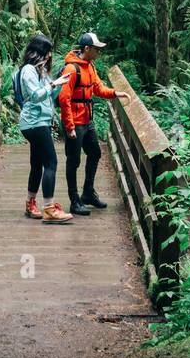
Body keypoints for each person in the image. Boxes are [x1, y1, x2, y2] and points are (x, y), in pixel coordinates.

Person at [58, 31, 130, 216]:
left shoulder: (90, 67)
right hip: (75, 122)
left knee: (95, 153)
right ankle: (74, 201)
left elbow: (98, 88)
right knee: (73, 161)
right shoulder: (72, 70)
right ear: (87, 48)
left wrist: (115, 93)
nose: (99, 52)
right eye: (96, 49)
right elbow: (64, 98)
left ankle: (88, 193)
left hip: (87, 121)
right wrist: (70, 126)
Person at [16, 34, 72, 223]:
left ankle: (30, 202)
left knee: (37, 163)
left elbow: (48, 94)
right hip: (35, 123)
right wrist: (53, 84)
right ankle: (49, 208)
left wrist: (59, 83)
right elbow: (35, 95)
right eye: (48, 52)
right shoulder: (29, 71)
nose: (50, 56)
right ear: (39, 52)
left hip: (39, 122)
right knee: (51, 163)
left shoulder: (40, 71)